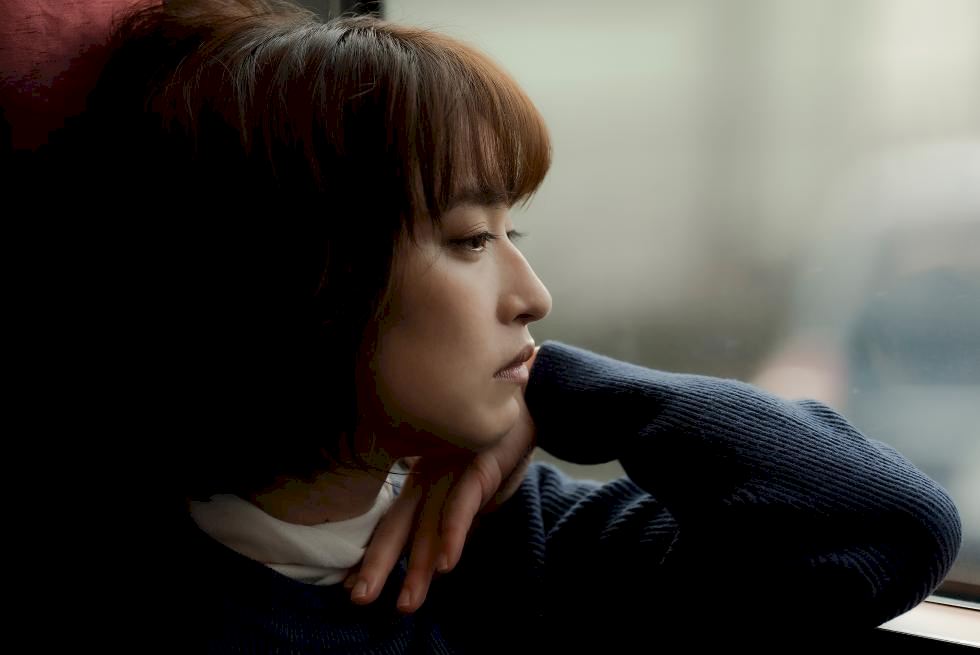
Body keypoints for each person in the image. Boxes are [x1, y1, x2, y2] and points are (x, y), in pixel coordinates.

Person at [36, 0, 960, 651]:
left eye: (514, 233)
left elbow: (888, 526)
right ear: (303, 274)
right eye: (471, 239)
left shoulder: (513, 543)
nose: (534, 295)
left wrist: (571, 398)